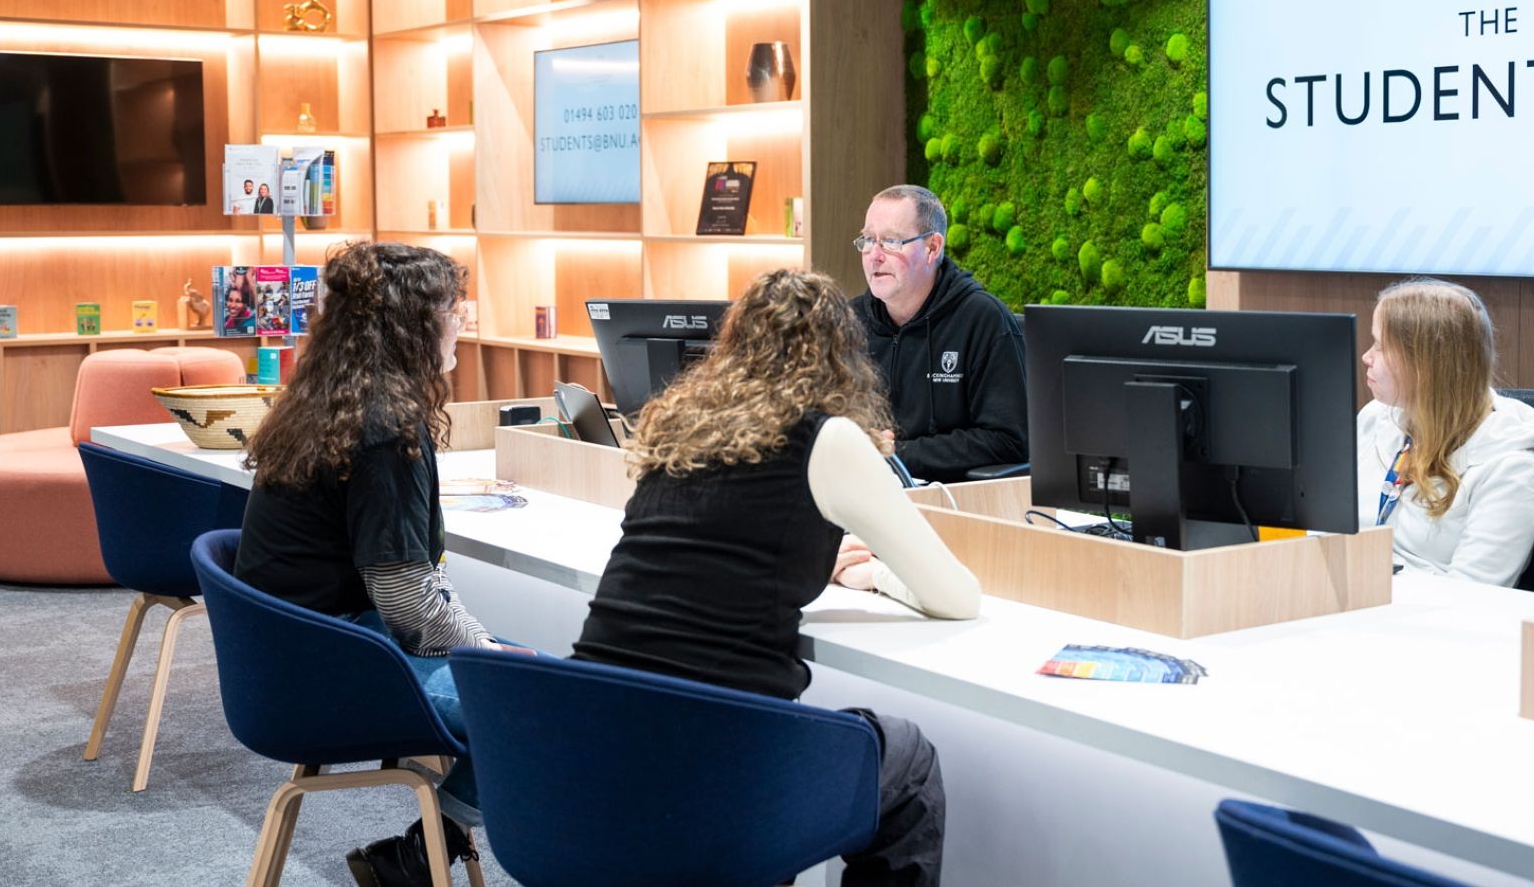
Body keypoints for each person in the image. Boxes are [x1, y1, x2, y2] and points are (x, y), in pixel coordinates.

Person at [574, 268, 981, 887]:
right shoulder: (830, 438)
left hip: (596, 742)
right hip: (722, 763)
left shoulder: (680, 429)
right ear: (842, 358)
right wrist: (874, 577)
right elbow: (956, 597)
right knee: (909, 758)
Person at [234, 241, 511, 887]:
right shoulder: (386, 425)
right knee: (537, 704)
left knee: (523, 675)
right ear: (412, 325)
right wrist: (489, 651)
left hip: (285, 660)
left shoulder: (328, 401)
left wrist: (484, 645)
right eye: (453, 310)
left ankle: (419, 855)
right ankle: (421, 856)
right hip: (333, 669)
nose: (462, 323)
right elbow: (408, 600)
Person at [1358, 277, 1534, 587]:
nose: (1367, 356)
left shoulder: (1510, 469)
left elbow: (1471, 594)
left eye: (1380, 346)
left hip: (1426, 623)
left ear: (1424, 364)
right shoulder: (1375, 418)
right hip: (1354, 602)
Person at [852, 184, 1027, 483]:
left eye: (891, 241)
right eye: (868, 240)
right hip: (859, 492)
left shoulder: (983, 320)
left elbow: (1009, 440)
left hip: (954, 503)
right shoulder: (848, 320)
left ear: (932, 247)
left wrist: (897, 455)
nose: (875, 255)